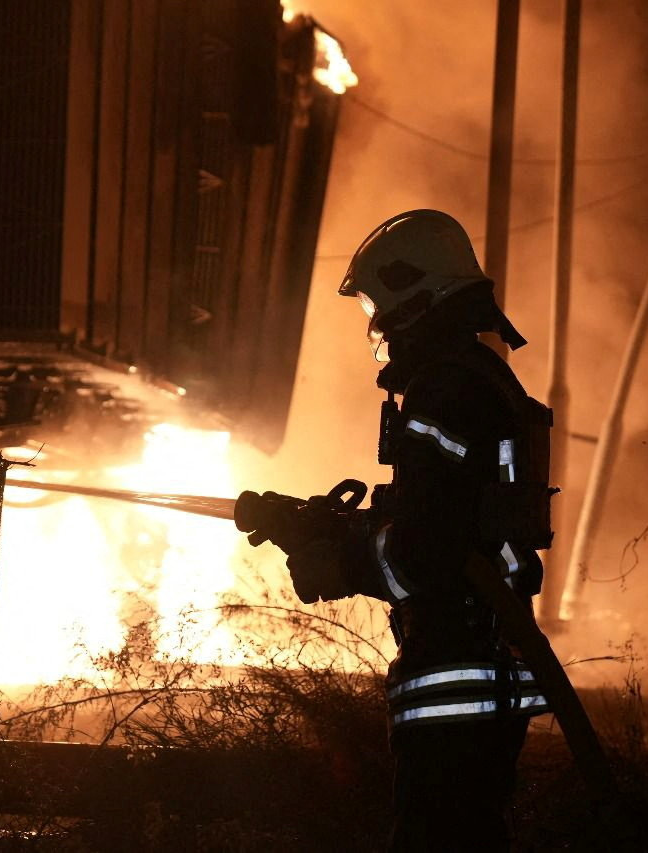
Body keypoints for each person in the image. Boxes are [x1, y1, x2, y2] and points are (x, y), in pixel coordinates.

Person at [238, 209, 556, 851]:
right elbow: (440, 517)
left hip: (456, 671)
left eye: (378, 308)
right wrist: (313, 524)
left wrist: (342, 564)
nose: (376, 326)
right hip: (476, 662)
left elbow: (427, 551)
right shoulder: (472, 379)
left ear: (416, 296)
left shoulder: (446, 390)